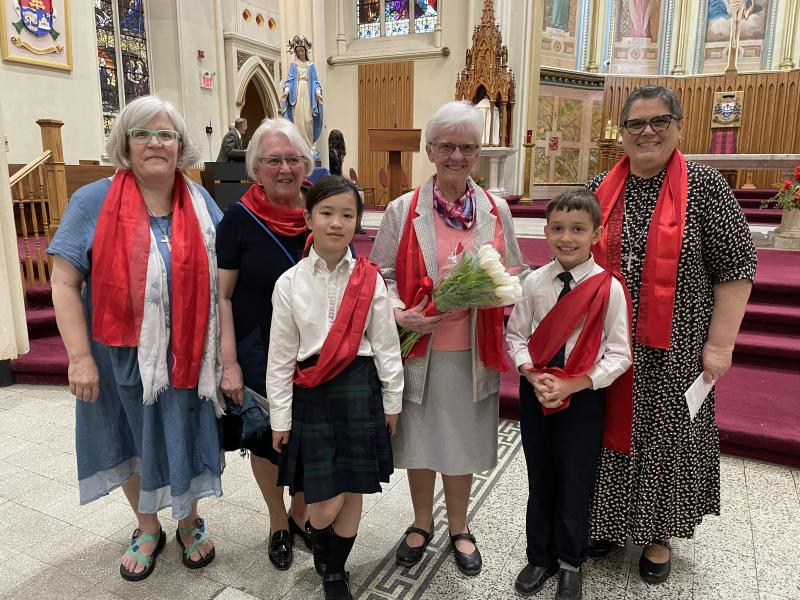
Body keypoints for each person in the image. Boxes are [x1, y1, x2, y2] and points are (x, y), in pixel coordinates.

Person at [586, 85, 757, 584]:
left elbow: (736, 269)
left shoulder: (704, 186)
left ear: (678, 127)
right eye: (636, 124)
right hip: (609, 344)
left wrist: (720, 345)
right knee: (606, 433)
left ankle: (659, 533)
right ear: (621, 132)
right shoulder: (602, 186)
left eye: (659, 121)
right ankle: (609, 521)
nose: (647, 132)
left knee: (667, 438)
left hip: (676, 348)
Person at [47, 95, 222, 581]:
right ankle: (148, 528)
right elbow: (64, 282)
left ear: (181, 145)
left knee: (180, 433)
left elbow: (225, 275)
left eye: (166, 134)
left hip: (185, 355)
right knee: (129, 438)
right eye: (142, 133)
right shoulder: (93, 201)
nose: (155, 143)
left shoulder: (200, 200)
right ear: (125, 143)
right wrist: (78, 357)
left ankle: (187, 521)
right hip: (116, 355)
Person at [370, 100, 528, 576]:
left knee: (458, 442)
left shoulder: (495, 209)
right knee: (419, 442)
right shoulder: (404, 209)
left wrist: (497, 294)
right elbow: (378, 274)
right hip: (420, 349)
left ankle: (459, 526)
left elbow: (516, 268)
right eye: (448, 146)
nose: (457, 156)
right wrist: (402, 313)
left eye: (467, 147)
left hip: (472, 351)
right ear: (430, 150)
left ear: (477, 152)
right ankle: (421, 523)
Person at [267, 175, 403, 600]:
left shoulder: (370, 279)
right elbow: (280, 357)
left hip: (359, 391)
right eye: (327, 213)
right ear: (308, 218)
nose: (336, 223)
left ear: (357, 223)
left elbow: (384, 344)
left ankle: (334, 570)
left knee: (354, 488)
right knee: (325, 503)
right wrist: (280, 417)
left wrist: (392, 400)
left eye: (347, 215)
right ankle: (317, 537)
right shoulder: (288, 282)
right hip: (313, 393)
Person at [506, 190, 632, 600]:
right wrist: (530, 372)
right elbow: (516, 335)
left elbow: (619, 353)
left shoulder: (608, 288)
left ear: (596, 233)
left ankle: (570, 562)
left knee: (576, 480)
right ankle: (539, 555)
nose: (566, 238)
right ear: (545, 231)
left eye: (578, 229)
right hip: (536, 393)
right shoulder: (534, 282)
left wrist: (573, 383)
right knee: (540, 476)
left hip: (582, 397)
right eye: (558, 229)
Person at [217, 117, 314, 570]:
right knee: (266, 441)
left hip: (316, 351)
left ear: (305, 164)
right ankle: (278, 520)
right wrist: (229, 362)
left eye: (293, 159)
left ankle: (300, 516)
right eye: (273, 160)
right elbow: (222, 295)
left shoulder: (323, 205)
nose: (284, 168)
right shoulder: (238, 219)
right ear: (256, 167)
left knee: (310, 436)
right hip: (258, 348)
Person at [281, 35, 323, 150]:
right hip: (297, 92)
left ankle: (308, 144)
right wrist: (287, 90)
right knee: (298, 118)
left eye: (302, 50)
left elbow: (315, 81)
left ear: (305, 51)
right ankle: (298, 145)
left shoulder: (311, 65)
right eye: (298, 51)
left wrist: (318, 92)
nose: (300, 53)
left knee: (308, 119)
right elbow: (289, 80)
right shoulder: (294, 65)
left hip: (308, 93)